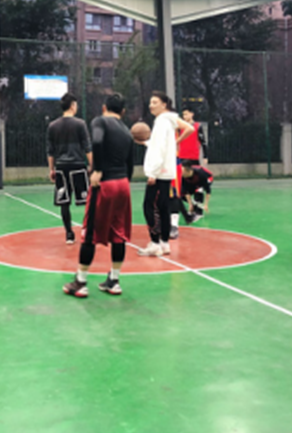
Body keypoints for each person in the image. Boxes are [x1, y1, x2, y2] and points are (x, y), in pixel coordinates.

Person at [63, 93, 134, 298]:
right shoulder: (127, 131)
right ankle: (114, 280)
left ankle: (80, 282)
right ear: (123, 111)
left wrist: (98, 170)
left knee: (90, 233)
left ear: (104, 107)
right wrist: (125, 180)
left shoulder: (99, 121)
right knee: (119, 233)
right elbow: (130, 162)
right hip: (123, 184)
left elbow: (97, 141)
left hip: (105, 184)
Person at [138, 92, 193, 257]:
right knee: (163, 207)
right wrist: (147, 142)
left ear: (164, 105)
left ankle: (155, 243)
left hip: (159, 172)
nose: (151, 105)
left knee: (150, 207)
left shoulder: (162, 121)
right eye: (150, 102)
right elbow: (162, 143)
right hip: (167, 171)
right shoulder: (170, 120)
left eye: (155, 102)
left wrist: (153, 173)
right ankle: (164, 243)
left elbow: (159, 149)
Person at [47, 93, 93, 244]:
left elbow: (50, 151)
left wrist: (52, 169)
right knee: (88, 201)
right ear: (73, 105)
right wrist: (92, 166)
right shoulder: (80, 124)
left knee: (64, 202)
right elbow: (87, 147)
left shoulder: (53, 126)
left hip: (61, 168)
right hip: (78, 166)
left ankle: (69, 234)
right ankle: (88, 231)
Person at [175, 107, 209, 229]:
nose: (184, 116)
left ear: (192, 114)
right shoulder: (180, 127)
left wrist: (205, 156)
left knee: (198, 185)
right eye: (183, 114)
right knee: (181, 186)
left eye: (186, 114)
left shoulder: (197, 126)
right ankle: (191, 205)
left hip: (193, 159)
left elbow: (203, 142)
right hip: (182, 158)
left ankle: (199, 211)